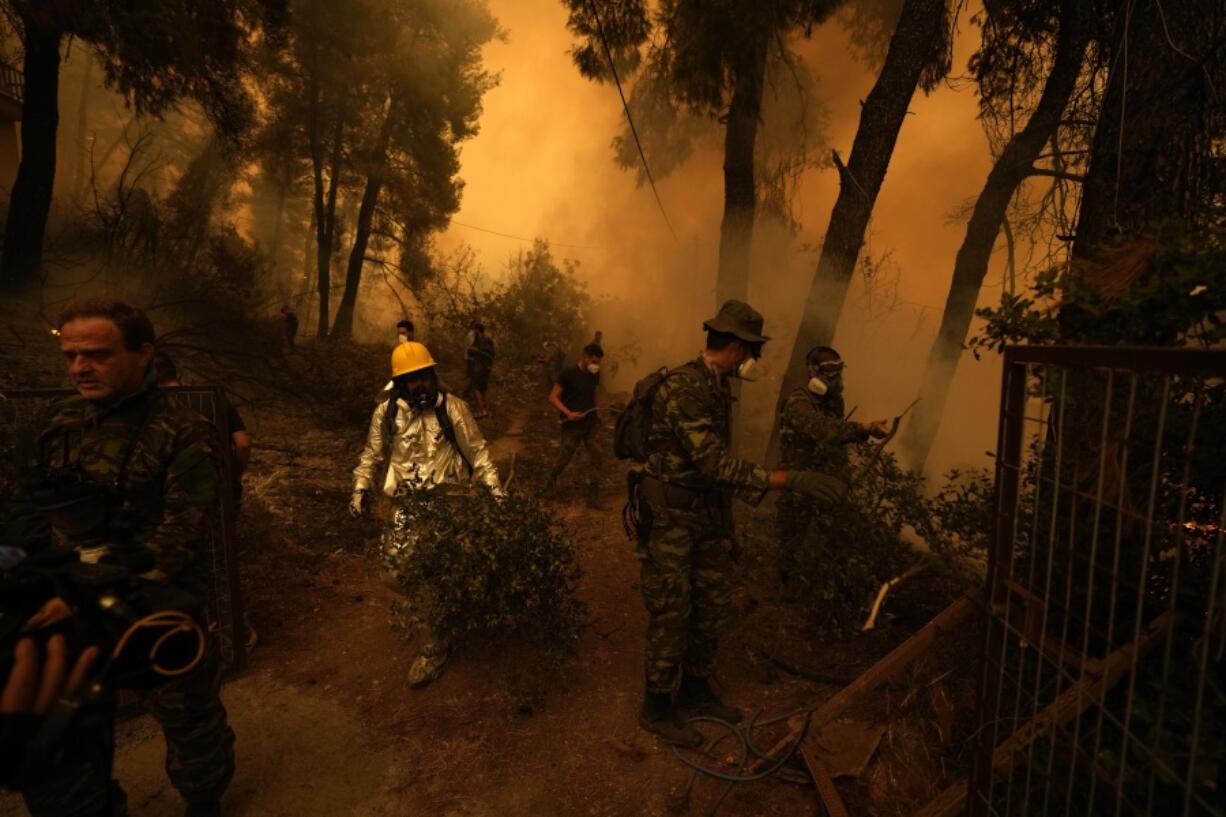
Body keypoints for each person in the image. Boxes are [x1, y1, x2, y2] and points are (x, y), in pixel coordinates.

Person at [17, 299, 234, 817]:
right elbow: (29, 504)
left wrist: (102, 584)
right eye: (70, 355)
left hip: (155, 611)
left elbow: (183, 531)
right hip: (69, 612)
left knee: (190, 723)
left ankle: (204, 800)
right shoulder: (60, 423)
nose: (79, 368)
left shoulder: (183, 433)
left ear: (144, 355)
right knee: (62, 743)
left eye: (96, 354)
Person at [629, 300, 847, 747]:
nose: (755, 361)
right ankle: (657, 707)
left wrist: (727, 530)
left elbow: (716, 477)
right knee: (673, 611)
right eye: (753, 351)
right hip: (671, 518)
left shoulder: (716, 387)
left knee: (712, 604)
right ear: (736, 346)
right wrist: (788, 479)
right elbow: (713, 465)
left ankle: (694, 690)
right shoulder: (686, 389)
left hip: (703, 516)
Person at [350, 341, 502, 687]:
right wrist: (359, 488)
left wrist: (497, 495)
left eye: (423, 376)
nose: (419, 384)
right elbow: (371, 455)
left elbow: (479, 454)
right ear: (400, 384)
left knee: (454, 568)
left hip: (451, 503)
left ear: (432, 375)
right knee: (395, 571)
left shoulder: (454, 409)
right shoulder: (386, 414)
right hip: (408, 505)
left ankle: (435, 646)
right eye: (411, 379)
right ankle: (438, 613)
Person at [775, 347, 889, 587]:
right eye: (828, 371)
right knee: (790, 541)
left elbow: (836, 435)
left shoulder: (833, 402)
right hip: (798, 480)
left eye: (838, 371)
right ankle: (783, 587)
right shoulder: (798, 402)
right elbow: (823, 430)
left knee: (834, 538)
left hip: (825, 479)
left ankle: (826, 587)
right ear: (811, 371)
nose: (834, 377)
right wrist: (863, 428)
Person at [154, 352, 253, 499]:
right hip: (218, 492)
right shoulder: (214, 399)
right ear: (175, 373)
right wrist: (234, 477)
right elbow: (243, 444)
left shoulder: (152, 404)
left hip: (168, 496)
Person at [546, 344, 605, 507]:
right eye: (593, 361)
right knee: (565, 457)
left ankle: (593, 497)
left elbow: (594, 392)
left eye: (598, 362)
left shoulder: (595, 373)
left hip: (590, 423)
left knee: (597, 457)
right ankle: (550, 482)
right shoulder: (568, 373)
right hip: (572, 425)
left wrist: (597, 413)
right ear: (585, 356)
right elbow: (553, 397)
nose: (596, 365)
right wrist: (568, 413)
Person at [464, 323, 495, 417]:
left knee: (477, 388)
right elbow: (471, 352)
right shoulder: (477, 341)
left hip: (484, 367)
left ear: (478, 330)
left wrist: (477, 351)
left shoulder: (486, 340)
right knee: (483, 389)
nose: (473, 332)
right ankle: (486, 410)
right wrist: (471, 351)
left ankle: (482, 410)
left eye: (475, 330)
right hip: (478, 367)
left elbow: (490, 354)